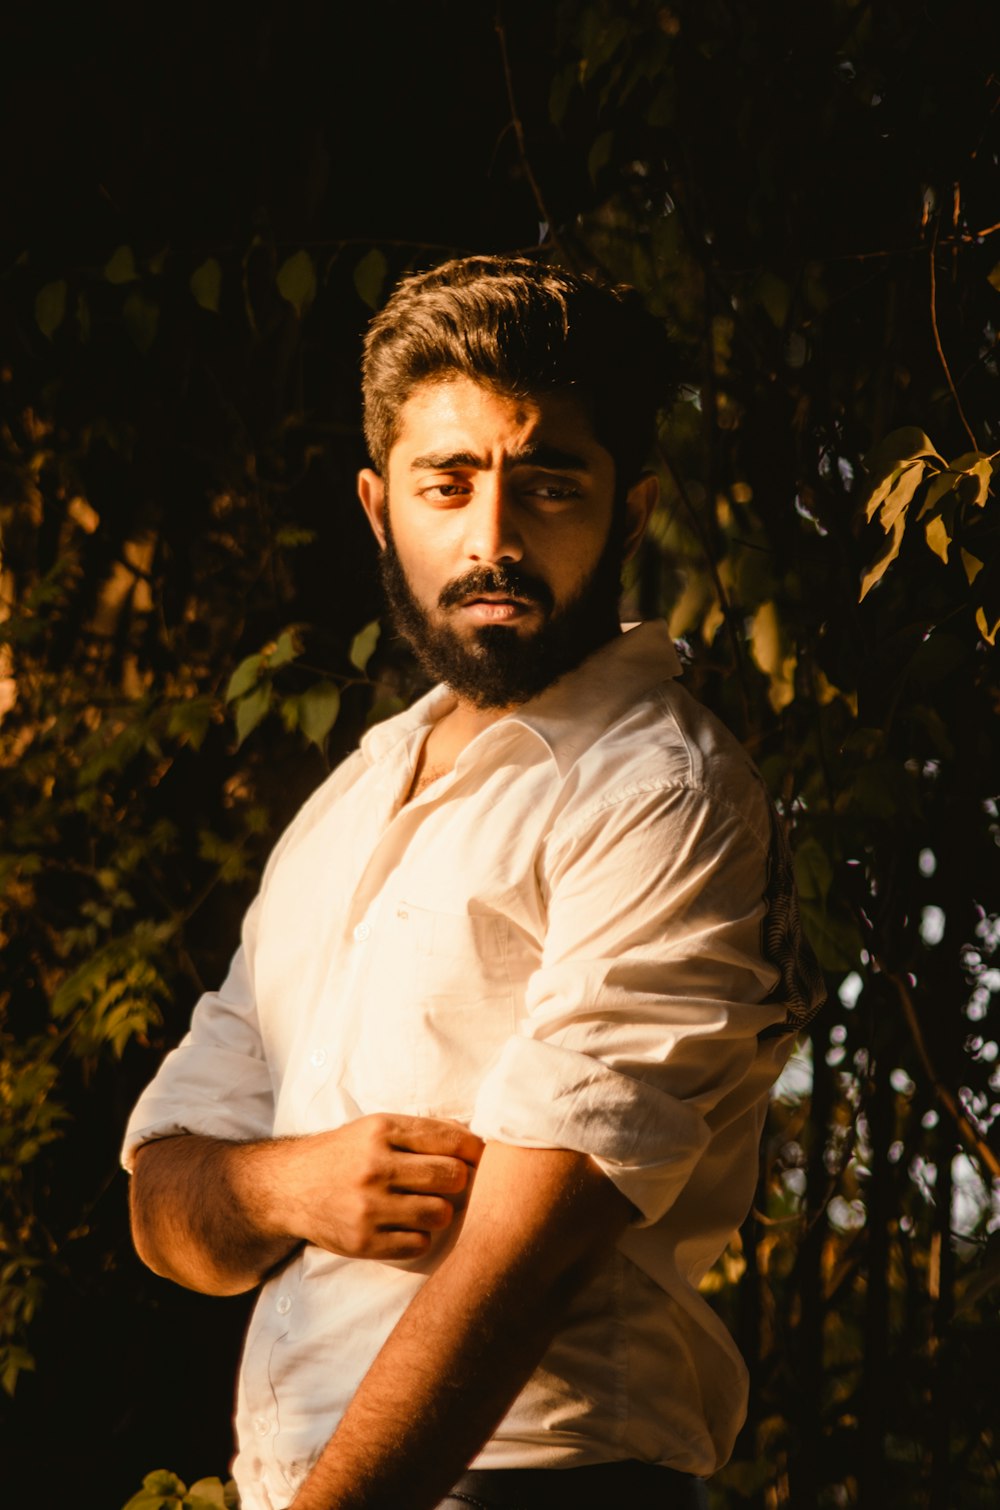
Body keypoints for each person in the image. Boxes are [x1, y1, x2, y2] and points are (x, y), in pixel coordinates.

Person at [123, 256, 824, 1510]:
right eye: (445, 484)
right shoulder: (349, 802)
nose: (493, 537)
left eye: (548, 483)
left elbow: (519, 1266)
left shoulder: (661, 790)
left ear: (633, 508)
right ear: (377, 507)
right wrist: (293, 1182)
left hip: (542, 1481)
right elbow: (165, 1204)